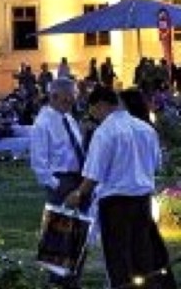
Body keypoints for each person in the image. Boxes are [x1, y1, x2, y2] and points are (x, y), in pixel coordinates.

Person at [65, 85, 177, 289]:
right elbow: (156, 164)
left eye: (93, 111)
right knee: (143, 254)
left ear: (100, 106)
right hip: (143, 200)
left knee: (118, 257)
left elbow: (94, 174)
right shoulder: (146, 128)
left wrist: (79, 193)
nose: (94, 117)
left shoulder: (105, 132)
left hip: (115, 204)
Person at [29, 77, 87, 288]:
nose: (72, 101)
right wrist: (56, 185)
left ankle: (72, 278)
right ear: (54, 96)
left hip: (77, 179)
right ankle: (58, 281)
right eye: (67, 98)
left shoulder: (68, 118)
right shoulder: (43, 123)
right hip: (61, 181)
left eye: (73, 97)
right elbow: (38, 162)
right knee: (60, 234)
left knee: (78, 232)